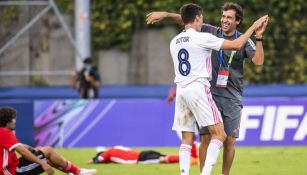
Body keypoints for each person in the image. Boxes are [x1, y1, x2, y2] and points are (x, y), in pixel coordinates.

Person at [147, 2, 268, 175]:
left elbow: (258, 61)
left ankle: (224, 174)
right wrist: (166, 15)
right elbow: (186, 20)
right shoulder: (210, 32)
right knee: (205, 138)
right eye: (223, 16)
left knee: (229, 141)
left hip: (231, 95)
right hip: (207, 93)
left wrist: (259, 37)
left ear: (238, 22)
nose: (225, 20)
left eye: (229, 18)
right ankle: (204, 172)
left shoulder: (244, 39)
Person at [0, 107, 97, 175]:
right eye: (14, 119)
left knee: (40, 151)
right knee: (48, 152)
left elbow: (20, 146)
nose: (15, 121)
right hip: (12, 172)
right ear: (8, 121)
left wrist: (34, 150)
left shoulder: (3, 132)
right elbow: (22, 151)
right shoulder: (5, 133)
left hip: (13, 166)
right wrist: (42, 163)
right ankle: (77, 172)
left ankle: (74, 172)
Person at [87, 145, 198, 165]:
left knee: (163, 159)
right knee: (164, 156)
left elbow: (100, 159)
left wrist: (92, 160)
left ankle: (189, 159)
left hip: (140, 159)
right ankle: (190, 157)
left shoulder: (107, 153)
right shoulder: (116, 147)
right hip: (142, 153)